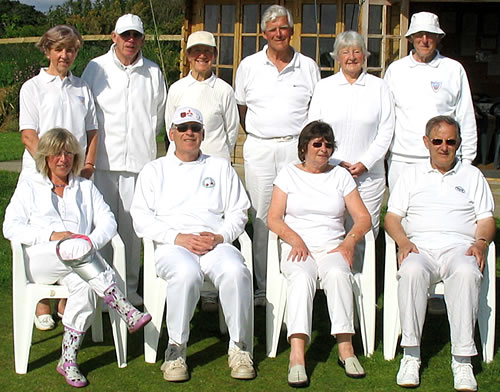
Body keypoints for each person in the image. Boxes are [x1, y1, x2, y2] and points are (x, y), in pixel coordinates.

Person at [3, 128, 151, 388]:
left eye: (69, 153)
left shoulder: (85, 186)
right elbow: (10, 227)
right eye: (57, 154)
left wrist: (88, 242)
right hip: (41, 261)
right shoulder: (30, 185)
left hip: (79, 264)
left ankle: (68, 359)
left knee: (84, 285)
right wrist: (51, 235)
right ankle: (122, 305)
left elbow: (108, 221)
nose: (63, 159)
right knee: (73, 247)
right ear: (45, 157)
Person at [131, 107, 255, 382]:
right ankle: (176, 349)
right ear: (172, 133)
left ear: (203, 133)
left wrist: (220, 236)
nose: (190, 133)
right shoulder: (154, 170)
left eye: (195, 128)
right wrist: (177, 237)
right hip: (171, 245)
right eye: (183, 128)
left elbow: (238, 211)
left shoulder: (220, 167)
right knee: (186, 274)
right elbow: (140, 217)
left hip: (214, 243)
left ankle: (239, 347)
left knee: (237, 271)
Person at [384, 116, 495, 391]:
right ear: (426, 142)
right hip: (420, 246)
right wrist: (402, 241)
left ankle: (462, 360)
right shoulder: (411, 175)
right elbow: (392, 217)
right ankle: (410, 355)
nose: (444, 147)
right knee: (410, 270)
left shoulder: (472, 175)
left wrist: (481, 243)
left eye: (450, 141)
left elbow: (486, 219)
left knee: (469, 272)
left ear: (458, 144)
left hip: (460, 247)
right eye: (438, 141)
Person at [267, 121, 371, 387]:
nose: (324, 149)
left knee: (338, 274)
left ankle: (346, 348)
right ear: (304, 148)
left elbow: (362, 217)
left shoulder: (341, 176)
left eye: (328, 144)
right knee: (301, 280)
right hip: (297, 246)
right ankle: (297, 355)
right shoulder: (288, 174)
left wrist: (349, 242)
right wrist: (295, 239)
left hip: (332, 246)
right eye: (317, 144)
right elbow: (274, 218)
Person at [234, 5, 320, 306]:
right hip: (259, 147)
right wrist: (263, 133)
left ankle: (294, 278)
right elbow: (242, 109)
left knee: (294, 214)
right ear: (263, 34)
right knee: (261, 216)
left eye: (283, 28)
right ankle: (263, 286)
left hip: (295, 149)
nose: (278, 34)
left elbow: (315, 110)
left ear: (292, 31)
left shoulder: (307, 66)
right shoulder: (249, 65)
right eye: (272, 30)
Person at [82, 14, 167, 306]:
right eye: (126, 35)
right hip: (103, 162)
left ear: (142, 39)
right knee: (103, 228)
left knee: (131, 230)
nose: (131, 41)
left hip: (139, 164)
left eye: (136, 36)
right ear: (114, 36)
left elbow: (158, 116)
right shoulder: (96, 68)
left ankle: (129, 289)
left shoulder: (153, 72)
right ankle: (104, 289)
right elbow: (86, 111)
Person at [19, 24, 98, 330]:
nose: (65, 55)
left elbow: (92, 131)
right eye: (59, 49)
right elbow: (28, 134)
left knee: (74, 233)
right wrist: (50, 166)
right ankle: (41, 302)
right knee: (42, 234)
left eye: (71, 50)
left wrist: (87, 163)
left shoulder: (82, 88)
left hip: (74, 175)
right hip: (40, 175)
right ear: (47, 50)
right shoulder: (33, 87)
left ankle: (67, 299)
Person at [309, 30, 394, 238]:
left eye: (357, 51)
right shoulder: (324, 87)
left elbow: (386, 130)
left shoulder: (379, 87)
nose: (351, 57)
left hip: (369, 176)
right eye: (345, 52)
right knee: (332, 230)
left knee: (364, 233)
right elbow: (314, 128)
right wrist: (335, 162)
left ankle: (362, 272)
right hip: (331, 171)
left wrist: (365, 162)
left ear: (364, 55)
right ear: (337, 57)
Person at [384, 12, 476, 191]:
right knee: (401, 215)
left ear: (438, 38)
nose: (424, 40)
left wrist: (468, 160)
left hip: (444, 158)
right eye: (419, 35)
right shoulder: (396, 70)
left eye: (430, 35)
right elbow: (385, 116)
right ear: (411, 38)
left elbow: (466, 116)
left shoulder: (453, 69)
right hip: (402, 159)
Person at [164, 30, 239, 161]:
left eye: (207, 51)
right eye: (196, 50)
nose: (202, 55)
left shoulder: (225, 90)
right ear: (188, 55)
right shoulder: (176, 89)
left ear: (215, 54)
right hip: (181, 164)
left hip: (215, 163)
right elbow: (171, 127)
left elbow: (232, 131)